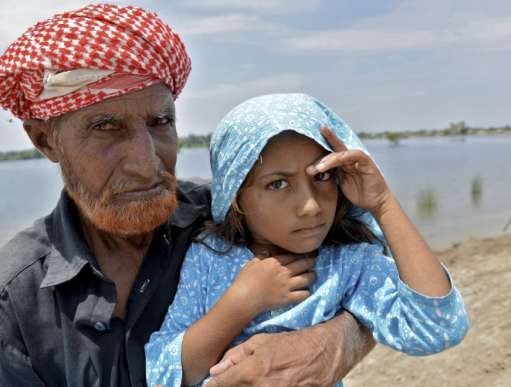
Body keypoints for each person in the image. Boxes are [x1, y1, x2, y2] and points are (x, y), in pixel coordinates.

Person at [0, 4, 376, 387]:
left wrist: (340, 339)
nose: (147, 164)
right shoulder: (14, 298)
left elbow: (371, 269)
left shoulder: (230, 213)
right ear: (46, 142)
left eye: (160, 122)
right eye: (106, 127)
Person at [145, 93, 470, 386]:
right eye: (277, 184)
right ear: (235, 195)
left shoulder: (348, 264)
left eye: (323, 176)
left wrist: (383, 203)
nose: (311, 206)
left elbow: (436, 329)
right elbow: (161, 372)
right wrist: (241, 302)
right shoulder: (209, 257)